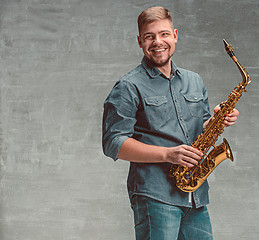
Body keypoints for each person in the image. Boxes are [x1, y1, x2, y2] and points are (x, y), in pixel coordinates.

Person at [102, 6, 239, 240]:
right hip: (155, 195)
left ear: (175, 35)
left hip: (194, 193)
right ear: (139, 41)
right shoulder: (128, 86)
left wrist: (217, 121)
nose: (158, 42)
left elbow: (198, 131)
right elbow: (113, 143)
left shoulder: (194, 80)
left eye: (164, 34)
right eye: (149, 36)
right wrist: (168, 155)